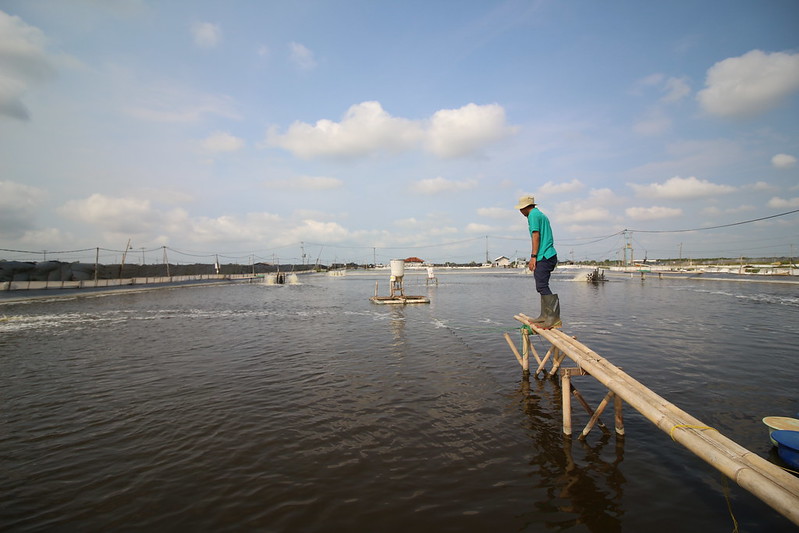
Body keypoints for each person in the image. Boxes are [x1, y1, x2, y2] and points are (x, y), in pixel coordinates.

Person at [515, 194, 561, 328]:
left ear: (525, 208)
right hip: (548, 254)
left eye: (520, 209)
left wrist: (533, 256)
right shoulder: (540, 214)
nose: (520, 212)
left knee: (541, 286)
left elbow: (536, 235)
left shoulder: (533, 216)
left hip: (544, 255)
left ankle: (553, 318)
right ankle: (544, 316)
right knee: (541, 285)